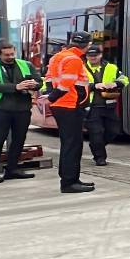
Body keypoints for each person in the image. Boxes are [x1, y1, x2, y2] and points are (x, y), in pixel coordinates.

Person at [0, 42, 40, 183]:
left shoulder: (26, 64)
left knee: (19, 140)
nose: (10, 57)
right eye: (6, 55)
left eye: (12, 54)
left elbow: (39, 80)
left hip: (22, 109)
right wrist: (16, 87)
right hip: (1, 109)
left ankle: (12, 169)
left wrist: (35, 84)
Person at [45, 31, 94, 193]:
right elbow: (67, 83)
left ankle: (70, 178)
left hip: (62, 106)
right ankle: (69, 182)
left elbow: (49, 79)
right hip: (70, 106)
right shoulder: (74, 59)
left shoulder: (57, 57)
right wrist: (53, 97)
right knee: (73, 144)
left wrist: (52, 98)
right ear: (88, 45)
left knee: (68, 143)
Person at [84, 46, 127, 166]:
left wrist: (115, 83)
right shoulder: (82, 68)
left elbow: (124, 79)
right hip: (91, 107)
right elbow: (76, 84)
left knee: (114, 130)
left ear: (100, 55)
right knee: (96, 132)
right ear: (86, 56)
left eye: (95, 55)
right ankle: (99, 157)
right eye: (90, 56)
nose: (92, 58)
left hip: (109, 106)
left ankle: (96, 145)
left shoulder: (111, 67)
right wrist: (94, 86)